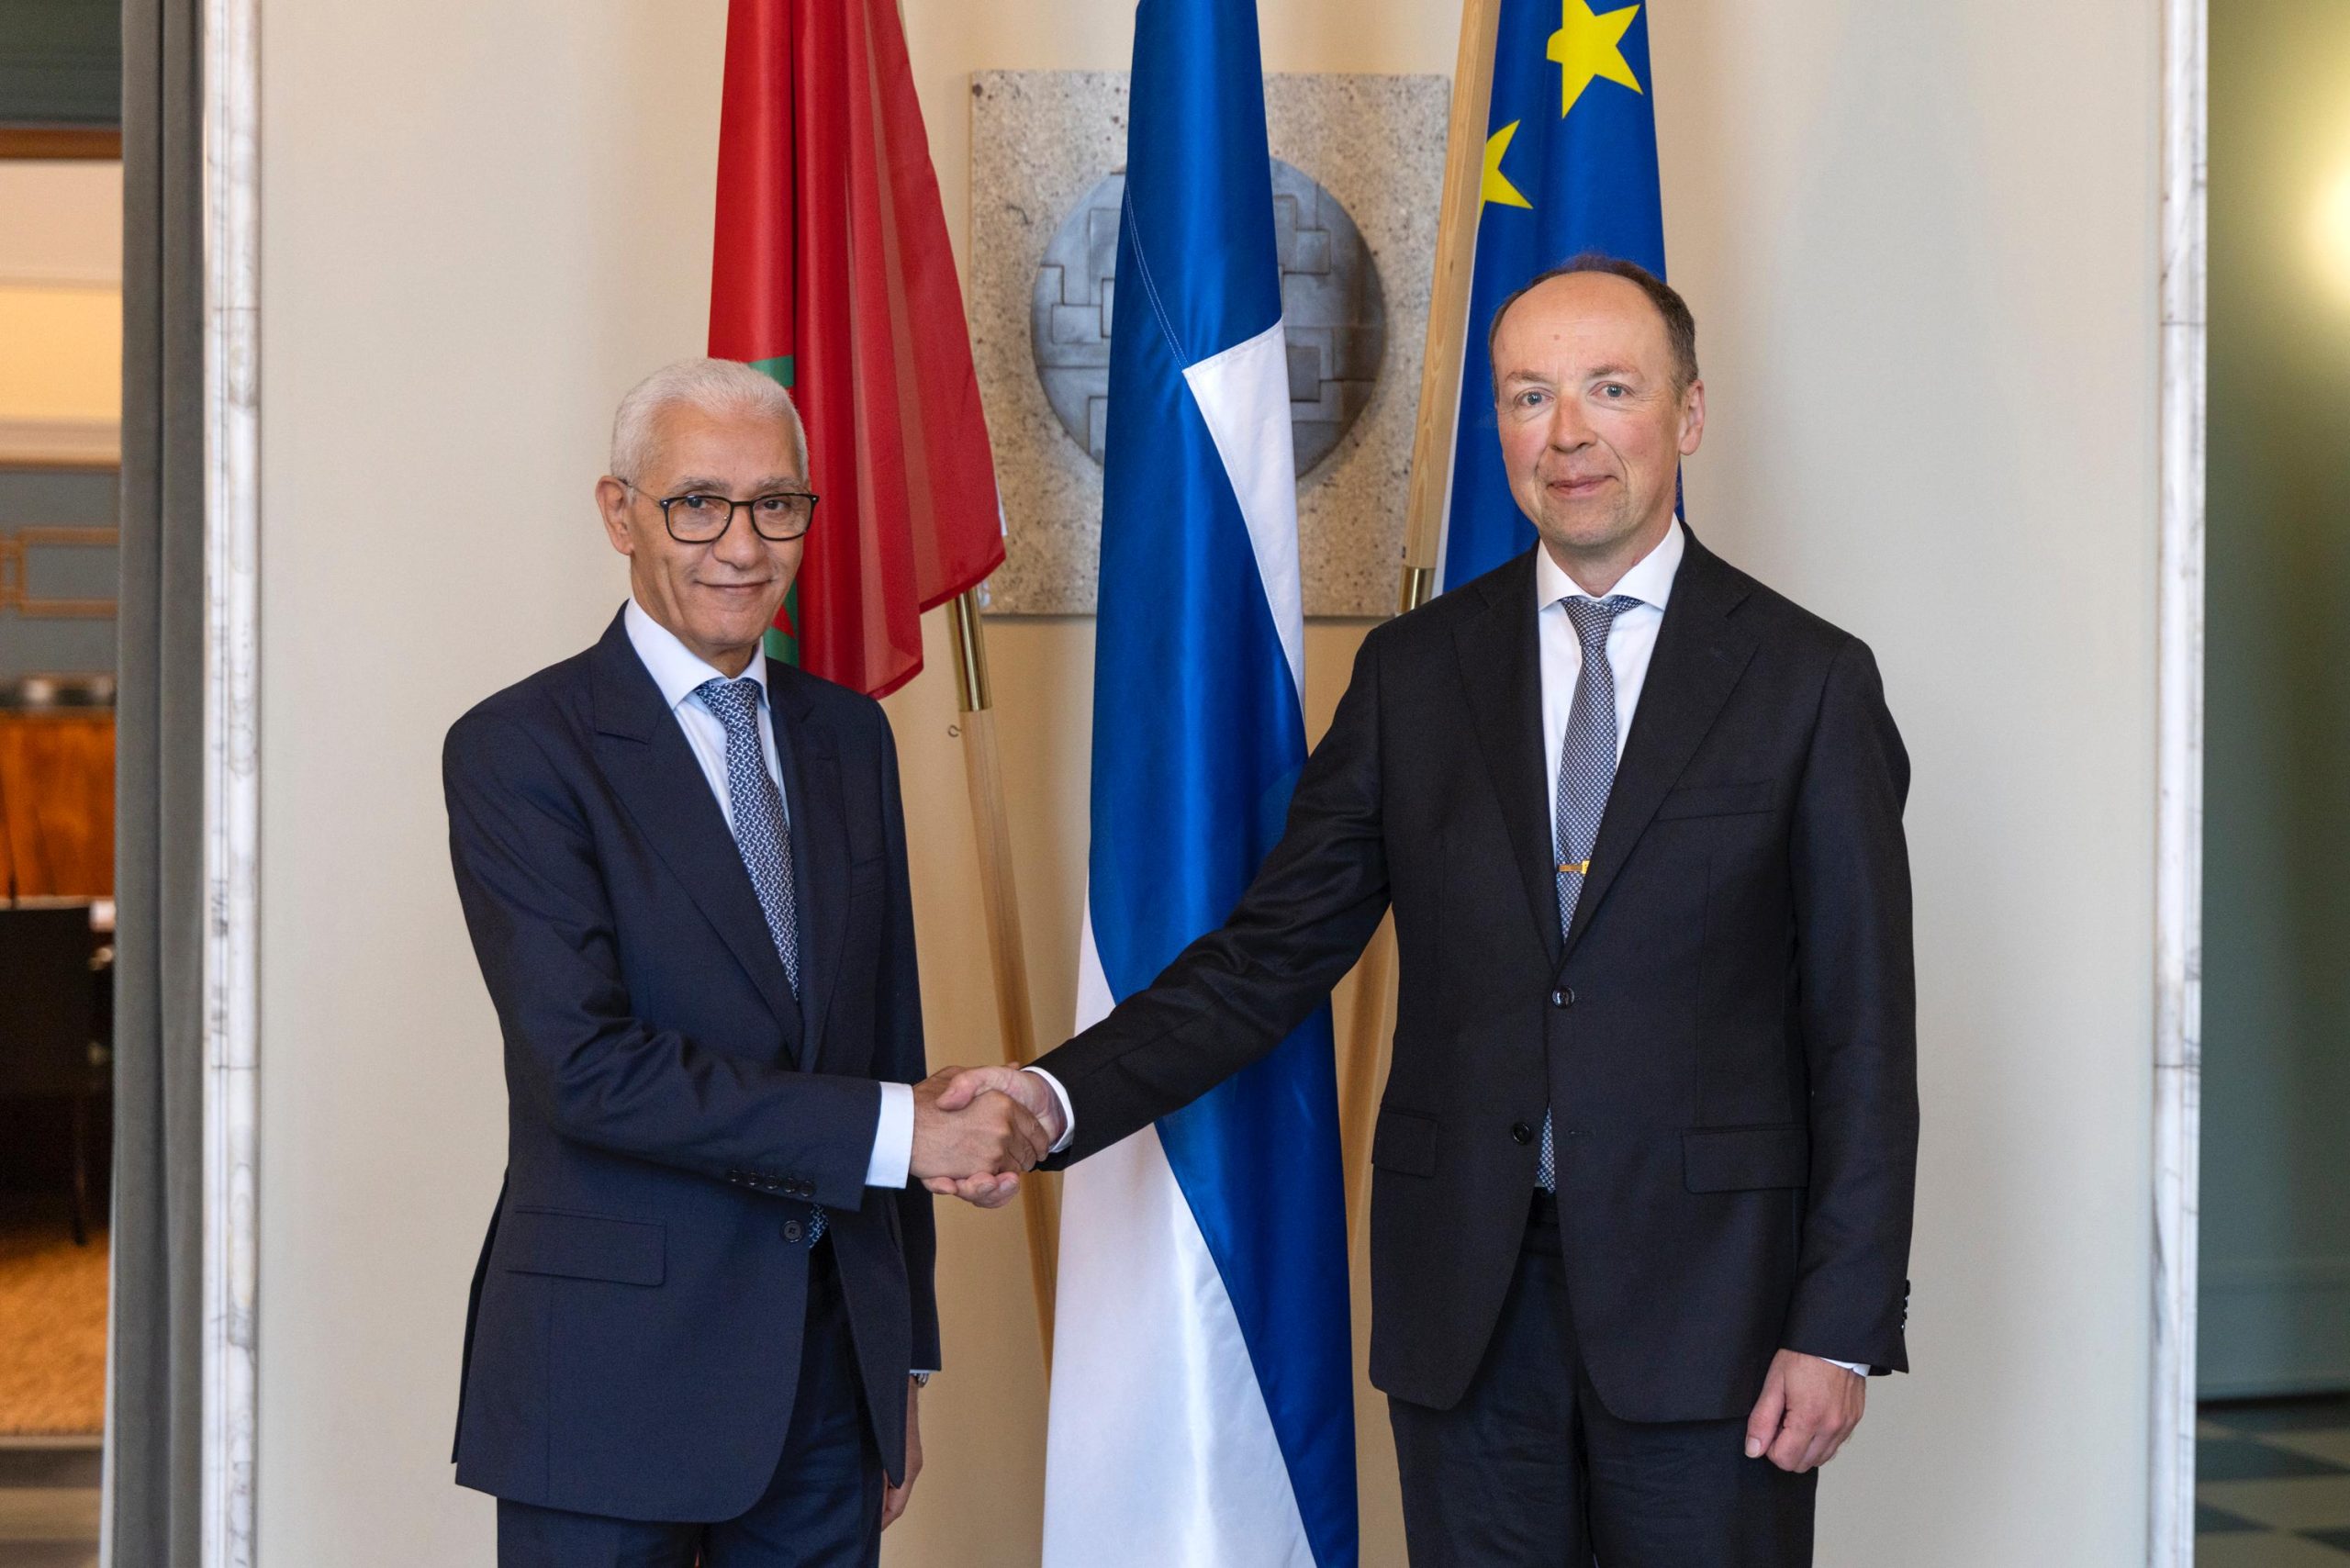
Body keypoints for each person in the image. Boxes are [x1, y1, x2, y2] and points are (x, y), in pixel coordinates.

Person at [937, 258, 1919, 1564]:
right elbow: (1267, 957)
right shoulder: (1415, 674)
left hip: (1719, 1319)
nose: (1567, 435)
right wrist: (1052, 1097)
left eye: (1610, 389)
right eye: (1529, 396)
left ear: (1687, 415)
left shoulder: (1810, 683)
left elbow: (1863, 1035)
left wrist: (1838, 1324)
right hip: (1469, 1312)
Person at [442, 358, 1053, 1566]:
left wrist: (901, 1359)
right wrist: (904, 1133)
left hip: (827, 1391)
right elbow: (586, 1070)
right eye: (697, 504)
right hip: (608, 1384)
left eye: (776, 504)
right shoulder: (520, 749)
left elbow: (885, 1041)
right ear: (620, 513)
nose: (742, 544)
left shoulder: (849, 737)